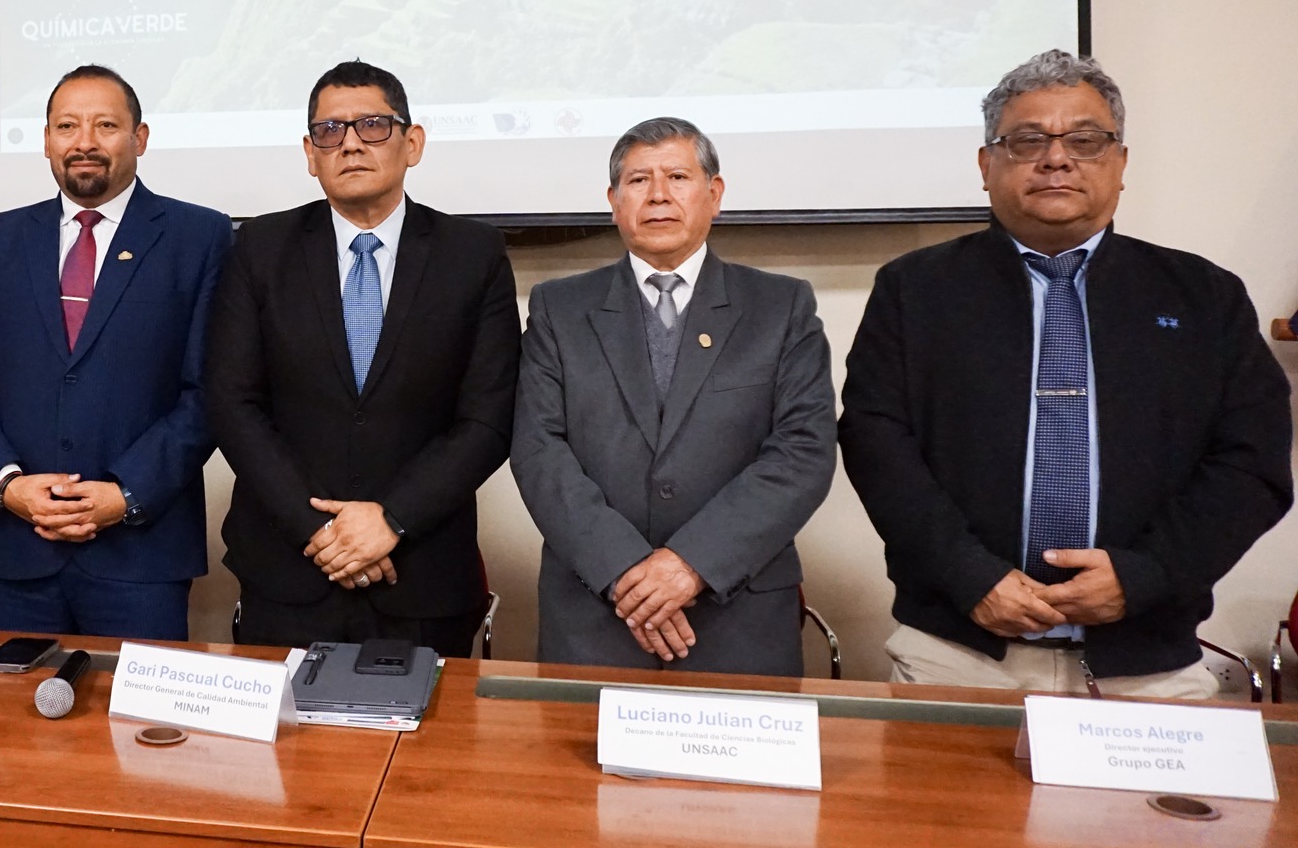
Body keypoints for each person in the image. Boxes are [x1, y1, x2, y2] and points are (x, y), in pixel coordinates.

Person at [840, 50, 1292, 697]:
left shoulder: (1203, 296)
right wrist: (971, 576)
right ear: (985, 166)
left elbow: (1252, 465)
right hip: (960, 652)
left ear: (1121, 163)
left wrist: (1145, 577)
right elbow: (876, 446)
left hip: (1148, 661)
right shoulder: (916, 290)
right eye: (1028, 141)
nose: (1057, 158)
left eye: (1085, 140)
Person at [207, 60, 520, 657]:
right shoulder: (259, 250)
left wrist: (390, 520)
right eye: (330, 131)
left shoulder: (472, 255)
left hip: (421, 574)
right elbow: (233, 404)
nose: (350, 142)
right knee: (286, 750)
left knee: (421, 748)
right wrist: (321, 532)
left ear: (413, 142)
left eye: (373, 125)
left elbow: (488, 418)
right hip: (290, 573)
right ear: (309, 152)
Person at [512, 118, 835, 675]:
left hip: (735, 615)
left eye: (678, 176)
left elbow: (802, 452)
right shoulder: (559, 309)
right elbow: (539, 451)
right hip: (597, 615)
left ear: (714, 194)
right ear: (614, 202)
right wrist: (627, 574)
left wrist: (689, 566)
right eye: (638, 181)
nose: (658, 194)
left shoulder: (780, 307)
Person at [0, 65, 230, 641]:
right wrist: (8, 486)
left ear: (140, 138)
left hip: (140, 555)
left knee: (137, 729)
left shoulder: (200, 237)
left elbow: (210, 393)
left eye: (106, 125)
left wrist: (127, 494)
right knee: (17, 724)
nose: (85, 142)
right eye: (67, 126)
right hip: (18, 552)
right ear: (46, 141)